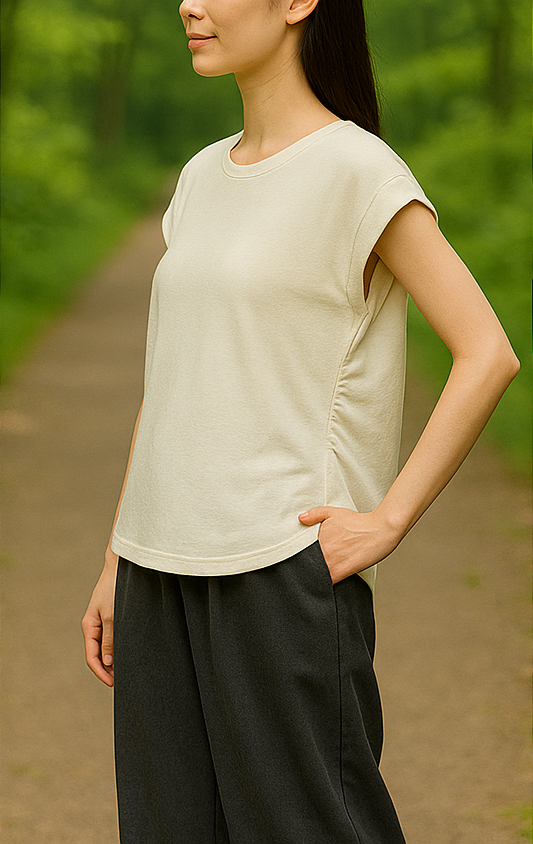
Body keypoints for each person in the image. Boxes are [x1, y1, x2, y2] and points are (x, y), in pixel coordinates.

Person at [82, 0, 519, 841]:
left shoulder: (357, 170)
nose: (189, 5)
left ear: (297, 3)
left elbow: (485, 352)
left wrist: (387, 520)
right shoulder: (200, 176)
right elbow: (172, 382)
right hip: (155, 572)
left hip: (277, 570)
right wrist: (115, 557)